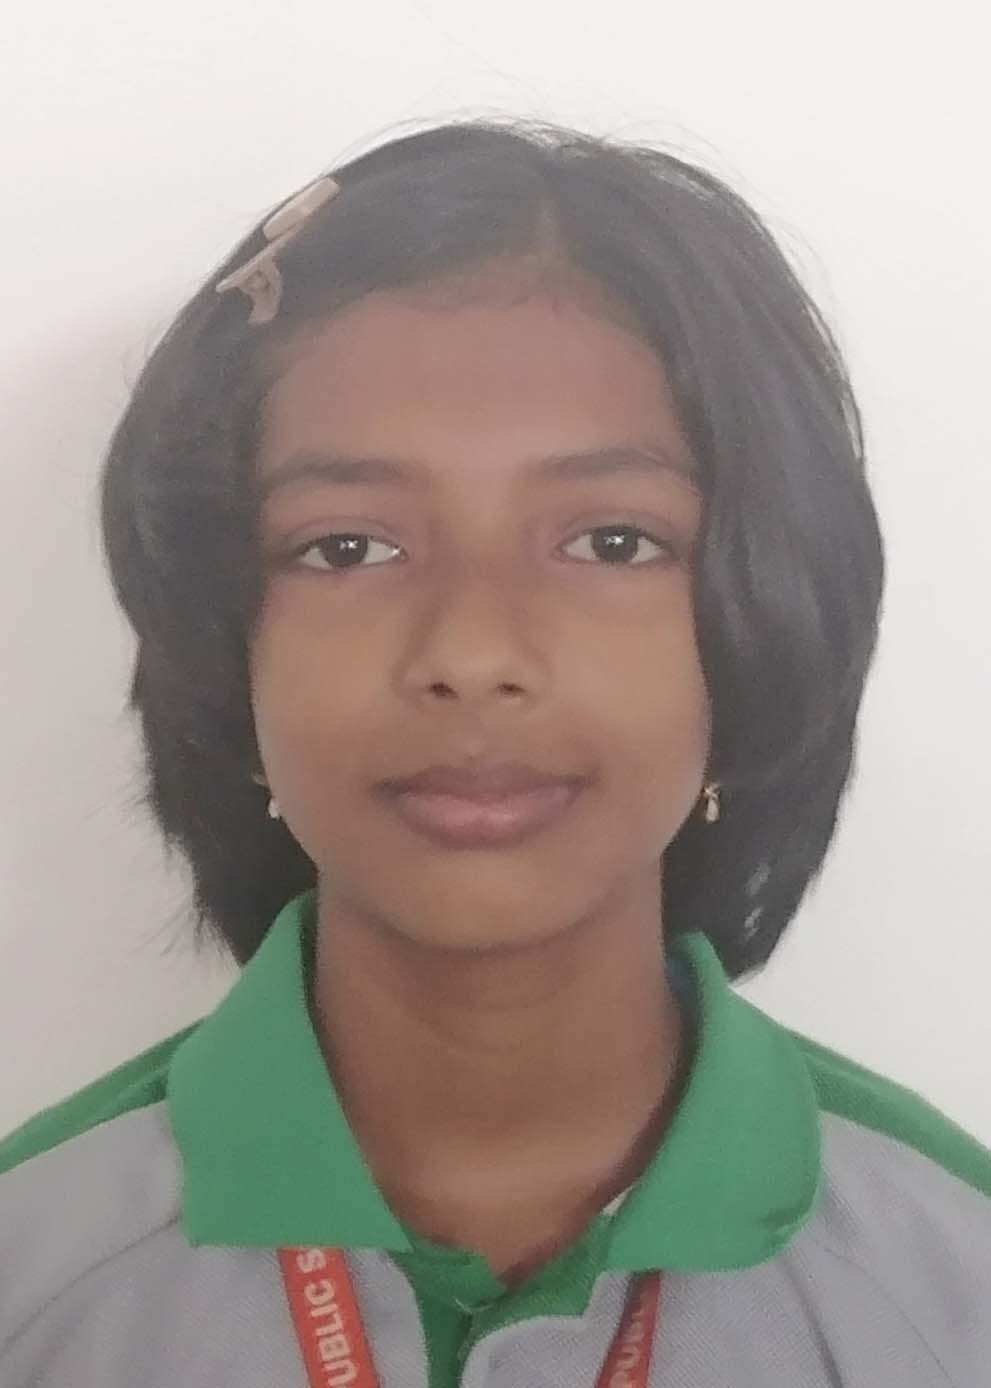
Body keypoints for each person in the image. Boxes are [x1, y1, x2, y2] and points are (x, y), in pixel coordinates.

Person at [1, 116, 988, 1388]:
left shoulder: (950, 1278)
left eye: (612, 542)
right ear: (222, 645)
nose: (470, 650)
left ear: (756, 626)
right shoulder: (35, 1268)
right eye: (347, 546)